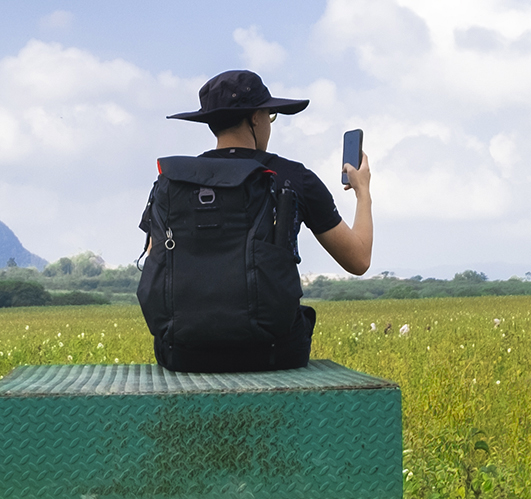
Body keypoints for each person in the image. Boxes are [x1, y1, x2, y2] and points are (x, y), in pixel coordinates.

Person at [137, 68, 373, 372]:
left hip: (181, 355)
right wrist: (363, 192)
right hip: (274, 354)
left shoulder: (173, 181)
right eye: (270, 116)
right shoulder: (294, 177)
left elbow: (155, 256)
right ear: (255, 118)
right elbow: (358, 259)